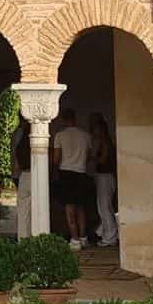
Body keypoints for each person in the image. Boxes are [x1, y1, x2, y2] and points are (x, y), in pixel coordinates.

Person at [52, 107, 92, 250]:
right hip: (81, 172)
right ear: (75, 118)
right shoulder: (86, 136)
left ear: (63, 119)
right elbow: (88, 157)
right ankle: (83, 238)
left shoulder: (59, 136)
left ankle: (74, 240)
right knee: (81, 207)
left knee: (69, 208)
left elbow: (56, 159)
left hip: (66, 174)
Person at [89, 113, 118, 247]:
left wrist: (92, 157)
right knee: (104, 207)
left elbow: (102, 159)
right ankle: (106, 233)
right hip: (103, 176)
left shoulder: (105, 142)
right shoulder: (104, 141)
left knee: (105, 207)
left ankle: (110, 236)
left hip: (105, 177)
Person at [13, 119, 32, 239]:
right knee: (36, 210)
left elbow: (16, 161)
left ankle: (23, 239)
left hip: (23, 175)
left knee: (23, 210)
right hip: (35, 175)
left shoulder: (20, 139)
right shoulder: (33, 140)